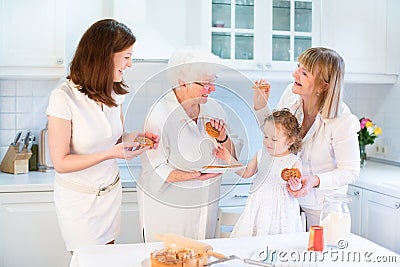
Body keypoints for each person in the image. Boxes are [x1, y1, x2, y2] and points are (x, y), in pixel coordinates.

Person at [46, 19, 159, 253]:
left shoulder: (113, 93)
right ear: (105, 55)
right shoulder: (63, 97)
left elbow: (115, 140)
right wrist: (111, 154)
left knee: (106, 260)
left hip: (110, 195)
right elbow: (61, 162)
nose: (129, 65)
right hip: (80, 202)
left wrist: (135, 138)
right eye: (126, 57)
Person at [137, 46, 236, 242]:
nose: (212, 89)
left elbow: (232, 156)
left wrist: (224, 138)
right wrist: (196, 175)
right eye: (206, 84)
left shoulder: (214, 109)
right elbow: (155, 170)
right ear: (182, 83)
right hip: (169, 208)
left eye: (213, 82)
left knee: (200, 258)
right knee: (170, 259)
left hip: (205, 206)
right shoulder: (158, 115)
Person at [253, 47, 360, 229]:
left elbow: (350, 171)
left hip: (323, 210)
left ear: (324, 85)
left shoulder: (342, 121)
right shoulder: (291, 95)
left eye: (304, 73)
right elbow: (275, 136)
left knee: (318, 255)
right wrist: (260, 105)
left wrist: (314, 180)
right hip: (289, 203)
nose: (295, 74)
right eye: (298, 67)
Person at [214, 109, 303, 236]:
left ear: (290, 141)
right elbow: (246, 173)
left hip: (280, 211)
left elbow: (297, 188)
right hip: (258, 207)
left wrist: (295, 185)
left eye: (274, 139)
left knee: (277, 242)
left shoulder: (293, 162)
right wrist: (228, 158)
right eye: (266, 136)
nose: (268, 142)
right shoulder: (261, 155)